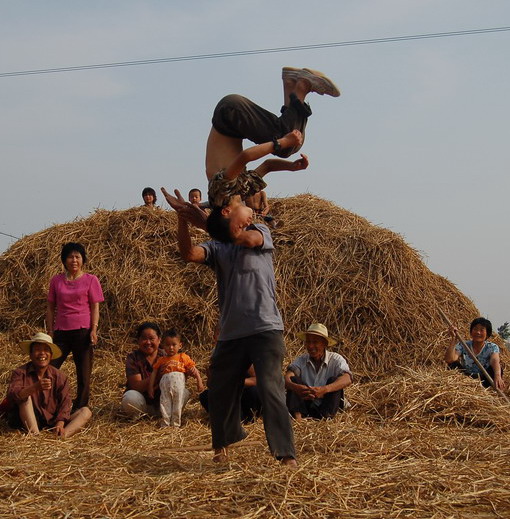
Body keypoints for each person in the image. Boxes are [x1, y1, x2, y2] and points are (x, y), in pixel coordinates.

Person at [173, 192, 297, 467]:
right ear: (228, 212)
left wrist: (205, 223)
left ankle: (285, 454)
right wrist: (183, 220)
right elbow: (188, 253)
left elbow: (246, 239)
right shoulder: (218, 248)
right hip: (231, 333)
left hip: (265, 327)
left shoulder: (260, 231)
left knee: (271, 389)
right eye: (240, 207)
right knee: (220, 389)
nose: (247, 211)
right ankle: (222, 447)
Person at [205, 66, 340, 181]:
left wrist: (284, 142)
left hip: (230, 114)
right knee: (288, 143)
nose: (250, 212)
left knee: (286, 145)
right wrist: (291, 167)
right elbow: (267, 166)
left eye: (249, 212)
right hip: (231, 119)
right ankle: (290, 83)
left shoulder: (223, 196)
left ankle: (303, 85)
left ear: (227, 212)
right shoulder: (242, 190)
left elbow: (245, 156)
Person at [46, 242, 104, 410]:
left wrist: (94, 329)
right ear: (64, 260)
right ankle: (48, 403)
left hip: (82, 332)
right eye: (70, 257)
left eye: (77, 257)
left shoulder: (91, 280)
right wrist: (50, 331)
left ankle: (80, 409)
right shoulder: (56, 281)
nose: (74, 260)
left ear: (83, 260)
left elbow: (95, 306)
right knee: (49, 367)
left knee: (84, 374)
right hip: (61, 332)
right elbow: (50, 307)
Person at [5, 332, 92, 438]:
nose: (42, 353)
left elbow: (65, 403)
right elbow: (12, 395)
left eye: (46, 350)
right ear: (31, 354)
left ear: (51, 356)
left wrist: (60, 422)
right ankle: (35, 436)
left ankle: (61, 437)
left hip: (51, 420)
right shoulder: (20, 373)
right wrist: (34, 388)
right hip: (26, 420)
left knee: (85, 411)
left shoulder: (59, 376)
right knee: (25, 398)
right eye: (37, 350)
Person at [285, 323, 352, 420]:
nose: (311, 346)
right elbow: (287, 378)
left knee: (334, 381)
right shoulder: (301, 360)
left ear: (324, 343)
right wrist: (296, 387)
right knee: (293, 379)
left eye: (315, 342)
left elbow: (348, 378)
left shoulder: (336, 359)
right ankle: (298, 420)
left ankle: (327, 418)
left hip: (327, 405)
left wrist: (325, 389)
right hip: (307, 406)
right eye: (308, 342)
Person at [147, 329, 204, 427]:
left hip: (178, 384)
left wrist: (199, 381)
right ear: (163, 346)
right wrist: (150, 387)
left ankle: (175, 424)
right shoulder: (162, 359)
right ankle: (165, 424)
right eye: (168, 345)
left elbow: (193, 369)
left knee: (177, 403)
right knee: (165, 403)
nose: (171, 348)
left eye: (174, 344)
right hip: (165, 385)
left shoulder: (183, 357)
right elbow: (154, 372)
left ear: (180, 345)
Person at [445, 317, 505, 390]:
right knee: (452, 364)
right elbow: (450, 359)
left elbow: (494, 361)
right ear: (471, 331)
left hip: (483, 379)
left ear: (487, 334)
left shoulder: (492, 347)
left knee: (496, 370)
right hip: (465, 377)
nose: (478, 332)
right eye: (475, 329)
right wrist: (453, 339)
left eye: (482, 330)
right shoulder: (463, 344)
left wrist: (497, 375)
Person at [121, 322, 166, 418]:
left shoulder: (166, 356)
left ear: (159, 340)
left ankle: (166, 414)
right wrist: (157, 376)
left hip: (163, 403)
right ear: (138, 341)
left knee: (184, 392)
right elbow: (136, 386)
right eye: (144, 338)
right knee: (130, 398)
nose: (148, 342)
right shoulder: (133, 357)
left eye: (152, 338)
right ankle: (141, 416)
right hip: (142, 404)